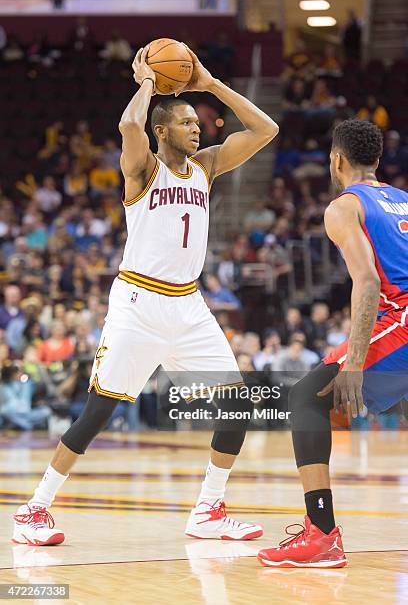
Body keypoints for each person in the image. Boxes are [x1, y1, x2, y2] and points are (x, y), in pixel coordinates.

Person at [12, 44, 279, 545]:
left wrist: (210, 84)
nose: (197, 127)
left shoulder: (206, 167)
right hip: (138, 303)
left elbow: (267, 130)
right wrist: (148, 84)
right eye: (185, 121)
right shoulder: (143, 169)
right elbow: (130, 128)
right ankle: (34, 509)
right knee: (99, 410)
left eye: (198, 121)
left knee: (237, 402)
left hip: (189, 305)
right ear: (163, 130)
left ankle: (208, 510)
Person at [258, 119, 408, 568]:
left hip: (400, 318)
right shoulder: (403, 200)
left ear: (336, 159)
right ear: (377, 161)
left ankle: (320, 534)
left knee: (307, 395)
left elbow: (365, 282)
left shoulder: (344, 207)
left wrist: (355, 363)